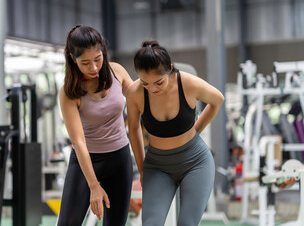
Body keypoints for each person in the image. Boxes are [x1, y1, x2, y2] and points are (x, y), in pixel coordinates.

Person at [126, 40, 225, 226]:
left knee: (186, 223)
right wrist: (142, 168)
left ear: (170, 69)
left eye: (158, 82)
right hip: (158, 166)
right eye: (145, 83)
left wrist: (196, 131)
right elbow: (133, 129)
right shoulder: (135, 92)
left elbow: (217, 100)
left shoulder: (188, 83)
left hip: (195, 162)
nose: (152, 89)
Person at [57, 25, 133, 226]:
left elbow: (141, 102)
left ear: (104, 52)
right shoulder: (68, 92)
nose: (93, 68)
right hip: (86, 159)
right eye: (85, 63)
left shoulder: (117, 72)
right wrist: (93, 186)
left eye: (98, 59)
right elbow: (78, 142)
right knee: (68, 223)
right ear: (73, 60)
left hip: (120, 157)